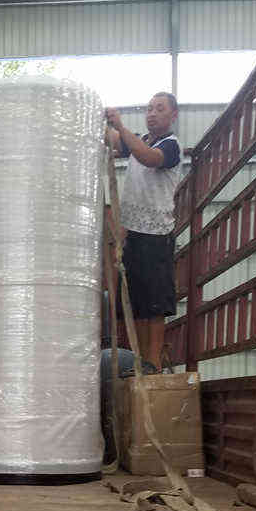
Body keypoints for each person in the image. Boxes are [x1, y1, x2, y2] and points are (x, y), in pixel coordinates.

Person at [105, 92, 182, 374]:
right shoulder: (141, 141)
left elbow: (148, 158)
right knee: (137, 302)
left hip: (155, 234)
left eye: (159, 109)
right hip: (133, 234)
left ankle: (153, 364)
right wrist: (101, 122)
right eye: (149, 109)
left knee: (155, 304)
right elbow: (115, 140)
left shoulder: (170, 146)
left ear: (173, 115)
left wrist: (121, 127)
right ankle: (141, 362)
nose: (152, 114)